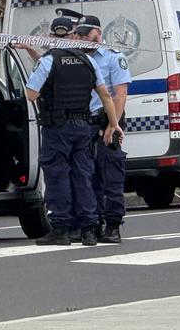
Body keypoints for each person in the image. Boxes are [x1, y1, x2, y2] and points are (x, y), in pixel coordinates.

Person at [24, 16, 124, 246]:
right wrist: (114, 123)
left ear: (52, 36)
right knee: (83, 176)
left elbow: (31, 95)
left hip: (56, 127)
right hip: (83, 127)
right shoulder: (88, 61)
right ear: (73, 35)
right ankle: (89, 229)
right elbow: (105, 95)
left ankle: (61, 228)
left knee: (58, 175)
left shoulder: (48, 61)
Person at [74, 15, 132, 243]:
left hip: (107, 120)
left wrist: (112, 125)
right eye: (78, 33)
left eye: (85, 33)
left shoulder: (113, 57)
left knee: (111, 176)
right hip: (84, 123)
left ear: (97, 33)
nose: (80, 37)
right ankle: (93, 222)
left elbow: (120, 94)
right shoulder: (78, 57)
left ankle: (113, 225)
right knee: (88, 177)